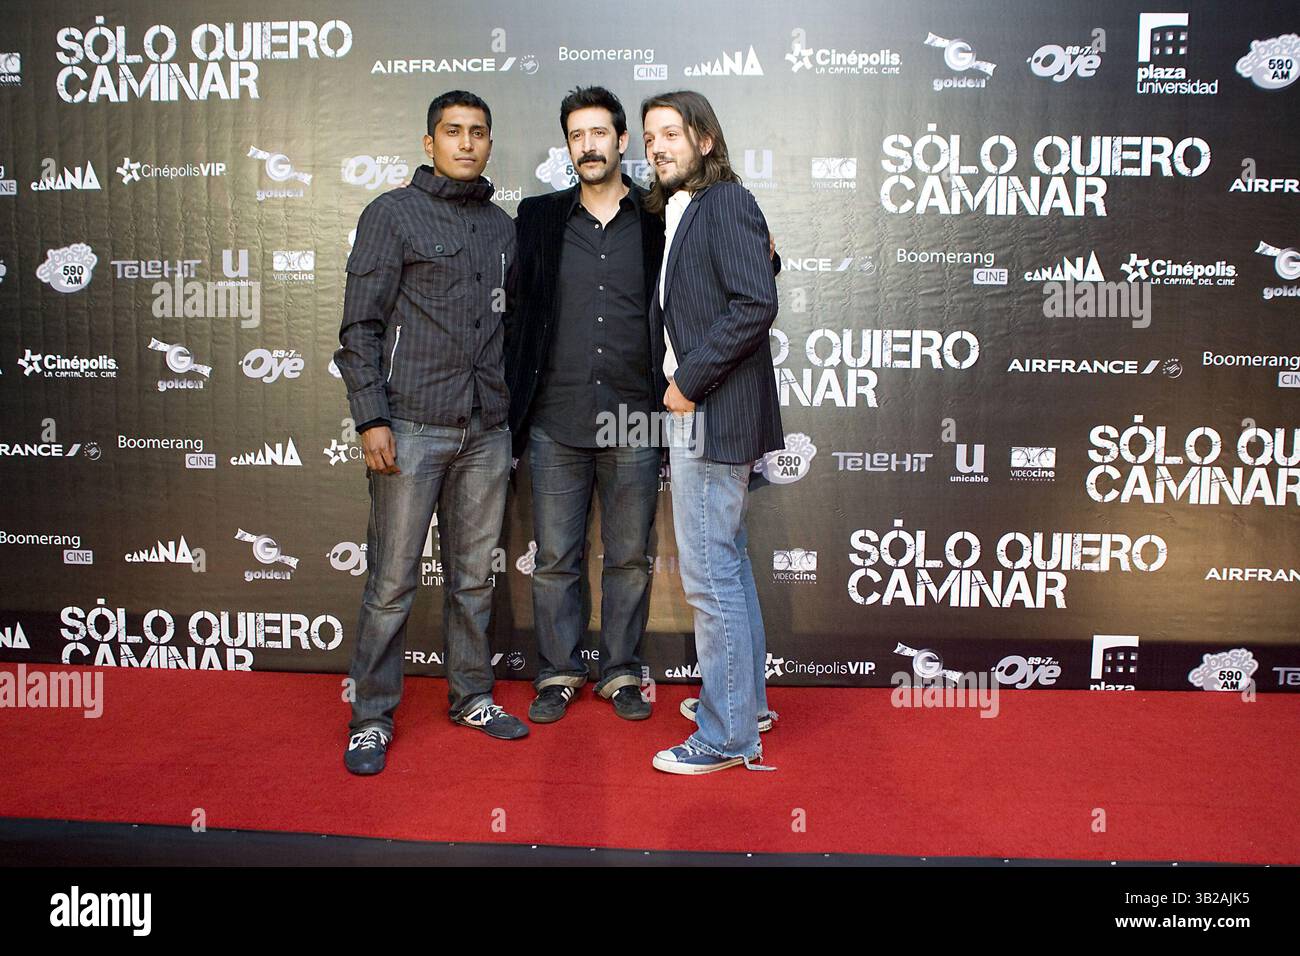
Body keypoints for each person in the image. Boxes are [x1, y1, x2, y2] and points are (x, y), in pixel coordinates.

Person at [335, 90, 526, 777]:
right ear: (429, 142)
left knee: (474, 579)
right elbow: (359, 327)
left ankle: (472, 696)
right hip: (410, 426)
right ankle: (371, 718)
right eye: (453, 132)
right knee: (390, 583)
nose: (467, 143)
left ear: (488, 143)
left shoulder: (505, 229)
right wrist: (371, 418)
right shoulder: (390, 215)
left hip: (487, 429)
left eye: (478, 132)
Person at [506, 87, 664, 723]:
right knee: (554, 560)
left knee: (628, 556)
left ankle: (622, 671)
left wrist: (768, 255)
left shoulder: (662, 214)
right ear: (567, 146)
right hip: (555, 416)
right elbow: (510, 303)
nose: (590, 145)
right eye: (577, 136)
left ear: (622, 141)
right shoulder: (538, 217)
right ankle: (559, 671)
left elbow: (720, 260)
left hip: (636, 413)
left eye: (601, 133)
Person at [641, 90, 783, 775]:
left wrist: (687, 381)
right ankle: (743, 703)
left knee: (710, 576)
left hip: (709, 411)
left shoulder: (724, 201)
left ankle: (727, 737)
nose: (657, 146)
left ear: (705, 140)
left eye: (671, 132)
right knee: (726, 564)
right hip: (714, 413)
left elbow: (755, 302)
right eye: (649, 138)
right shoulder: (682, 211)